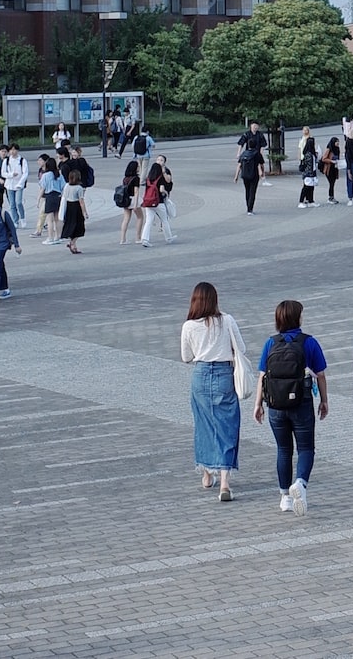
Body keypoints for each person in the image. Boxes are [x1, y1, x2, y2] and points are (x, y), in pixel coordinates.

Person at [252, 300, 329, 516]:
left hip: (275, 405)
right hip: (301, 403)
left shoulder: (270, 343)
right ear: (298, 318)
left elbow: (261, 376)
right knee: (305, 448)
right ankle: (301, 483)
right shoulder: (309, 342)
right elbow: (321, 374)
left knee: (283, 449)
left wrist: (258, 404)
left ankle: (285, 496)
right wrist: (324, 401)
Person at [181, 282, 250, 501]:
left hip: (200, 375)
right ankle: (225, 482)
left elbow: (186, 357)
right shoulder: (227, 320)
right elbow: (242, 347)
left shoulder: (189, 326)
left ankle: (206, 473)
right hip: (223, 375)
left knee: (204, 425)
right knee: (227, 425)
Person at [139, 159, 172, 247]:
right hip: (159, 202)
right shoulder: (160, 178)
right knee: (164, 220)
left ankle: (145, 239)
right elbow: (161, 190)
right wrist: (165, 193)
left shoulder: (148, 179)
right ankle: (168, 237)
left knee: (148, 221)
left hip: (148, 202)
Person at [33, 154, 61, 244]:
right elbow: (64, 186)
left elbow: (42, 188)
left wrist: (38, 199)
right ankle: (58, 236)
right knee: (57, 218)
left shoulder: (46, 175)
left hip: (49, 196)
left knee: (49, 219)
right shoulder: (58, 175)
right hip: (58, 196)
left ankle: (50, 238)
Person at [235, 134, 266, 215]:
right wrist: (262, 173)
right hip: (254, 175)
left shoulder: (244, 154)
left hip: (245, 175)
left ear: (248, 145)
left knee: (247, 191)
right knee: (253, 192)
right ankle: (250, 209)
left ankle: (247, 206)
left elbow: (239, 165)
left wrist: (236, 176)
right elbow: (261, 164)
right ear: (256, 145)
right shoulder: (257, 154)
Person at [58, 168, 86, 253]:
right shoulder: (79, 188)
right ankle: (72, 243)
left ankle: (73, 244)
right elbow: (81, 201)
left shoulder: (67, 186)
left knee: (70, 224)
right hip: (76, 207)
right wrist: (84, 212)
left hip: (69, 206)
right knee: (79, 227)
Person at [117, 160, 146, 244]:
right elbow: (136, 192)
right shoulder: (136, 178)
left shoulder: (125, 178)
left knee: (126, 219)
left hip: (126, 199)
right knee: (140, 217)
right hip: (133, 199)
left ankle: (122, 239)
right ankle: (138, 237)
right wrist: (136, 204)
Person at [3, 144, 30, 226]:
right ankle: (15, 220)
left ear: (17, 150)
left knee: (18, 202)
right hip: (9, 185)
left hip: (19, 185)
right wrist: (11, 175)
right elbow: (3, 173)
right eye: (11, 150)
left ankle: (22, 218)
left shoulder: (22, 160)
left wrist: (20, 183)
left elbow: (25, 173)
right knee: (12, 204)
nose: (13, 151)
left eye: (14, 150)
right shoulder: (6, 161)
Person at [297, 130, 319, 208]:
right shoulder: (308, 154)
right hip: (308, 173)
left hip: (312, 173)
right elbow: (308, 164)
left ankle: (311, 200)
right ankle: (301, 201)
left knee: (311, 187)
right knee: (306, 187)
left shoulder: (311, 153)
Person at [320, 136, 341, 205]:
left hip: (335, 168)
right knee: (331, 183)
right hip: (329, 169)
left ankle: (332, 197)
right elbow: (324, 158)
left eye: (338, 142)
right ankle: (330, 197)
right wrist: (331, 161)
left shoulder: (337, 149)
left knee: (333, 183)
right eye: (336, 142)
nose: (338, 143)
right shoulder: (329, 149)